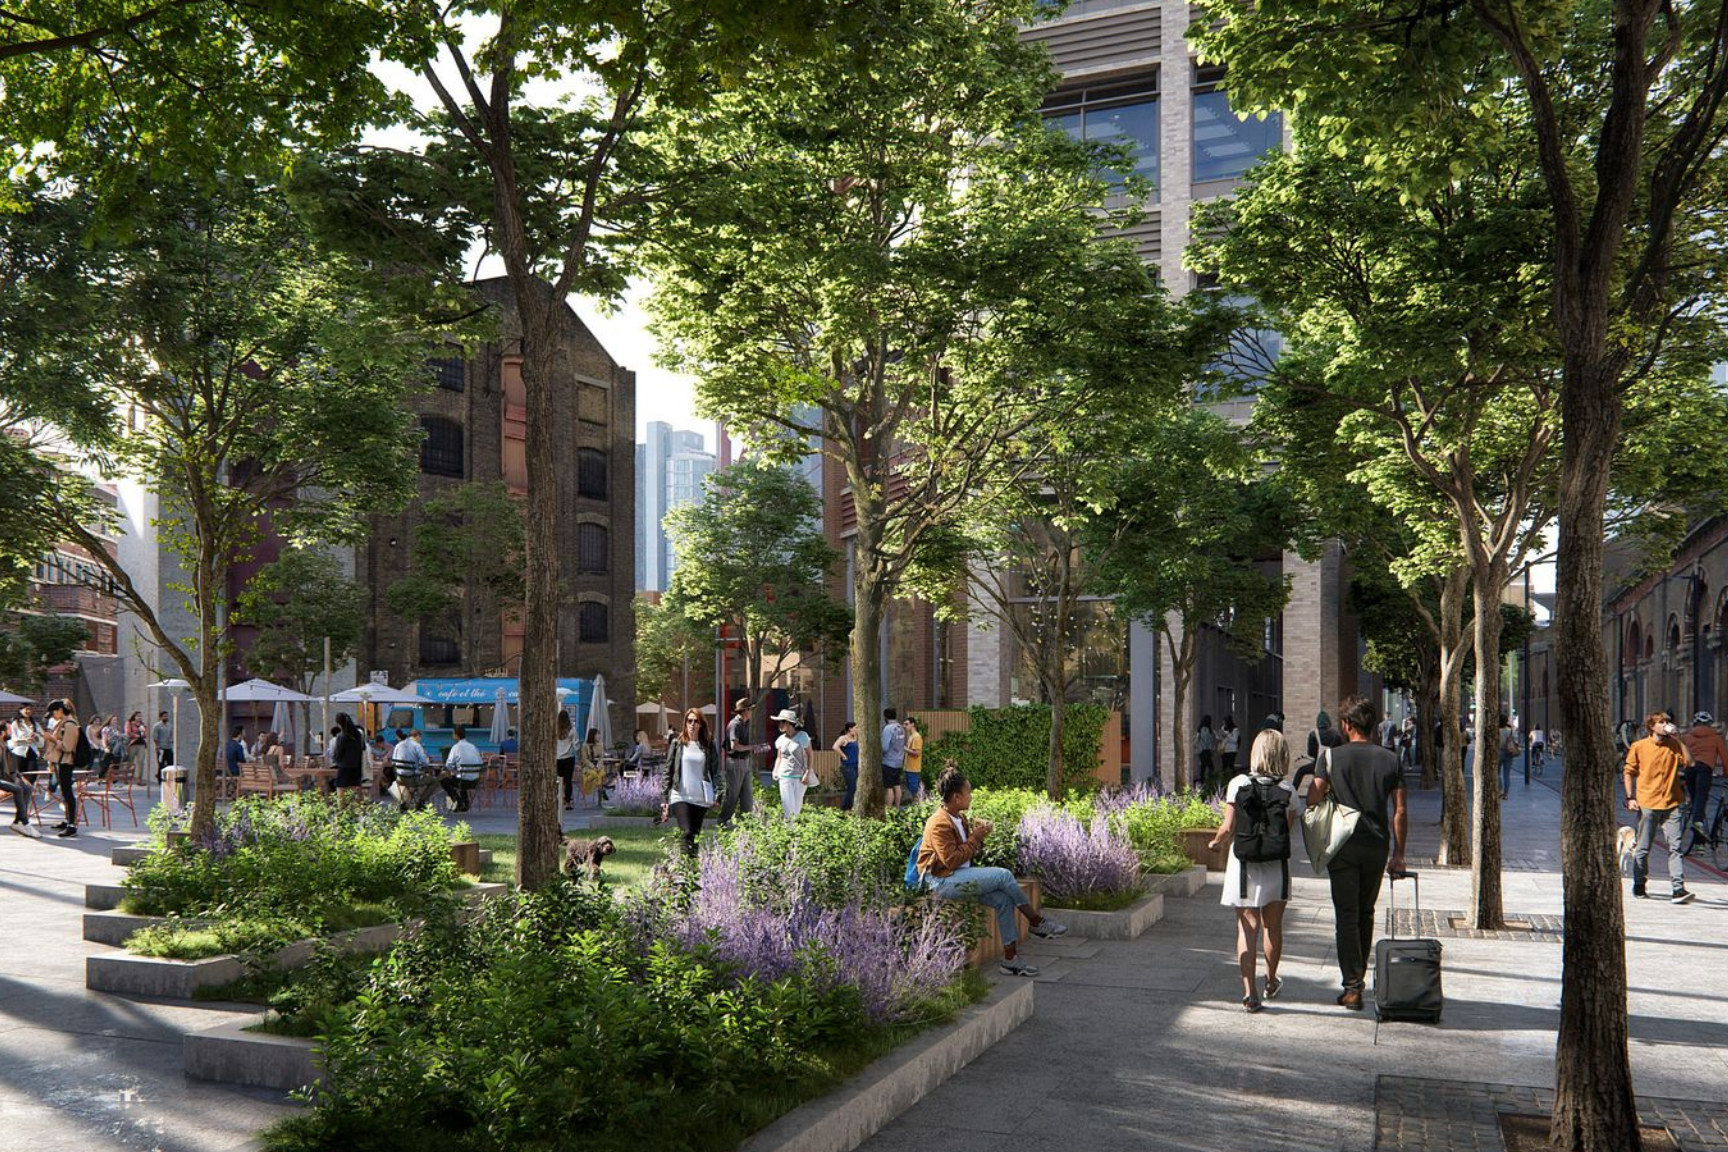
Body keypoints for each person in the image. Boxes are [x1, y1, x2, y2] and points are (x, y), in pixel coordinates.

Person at [918, 765, 1068, 977]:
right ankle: (1036, 922)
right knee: (1004, 875)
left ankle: (1010, 960)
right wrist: (975, 838)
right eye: (968, 792)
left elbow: (965, 854)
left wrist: (979, 838)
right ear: (956, 796)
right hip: (942, 882)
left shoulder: (959, 818)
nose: (971, 796)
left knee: (1002, 901)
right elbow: (950, 860)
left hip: (958, 876)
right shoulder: (938, 823)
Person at [1308, 695, 1407, 1011]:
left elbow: (1313, 796)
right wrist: (1399, 854)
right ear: (1374, 727)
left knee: (1346, 916)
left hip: (1342, 846)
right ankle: (1358, 978)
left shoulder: (1331, 758)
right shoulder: (1390, 760)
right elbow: (1400, 811)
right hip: (1376, 846)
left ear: (1346, 725)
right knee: (1366, 912)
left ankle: (1353, 987)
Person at [1208, 730, 1298, 1012]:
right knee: (1273, 927)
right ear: (1281, 755)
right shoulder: (1288, 791)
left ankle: (1250, 993)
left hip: (1243, 864)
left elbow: (1228, 826)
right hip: (1276, 866)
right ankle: (1271, 980)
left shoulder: (1237, 783)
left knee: (1247, 929)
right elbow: (1287, 828)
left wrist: (1216, 842)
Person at [1624, 711, 1695, 903]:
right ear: (1651, 727)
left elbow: (1689, 762)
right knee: (1644, 847)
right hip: (1648, 803)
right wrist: (1630, 797)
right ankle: (1639, 884)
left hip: (1673, 803)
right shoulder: (1639, 747)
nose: (1665, 725)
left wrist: (1679, 739)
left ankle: (1678, 889)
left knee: (1676, 846)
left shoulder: (1674, 745)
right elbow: (1628, 772)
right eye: (1661, 722)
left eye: (1667, 722)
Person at [660, 709, 723, 855]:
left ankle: (692, 870)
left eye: (696, 721)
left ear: (701, 724)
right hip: (680, 795)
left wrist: (719, 794)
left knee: (694, 836)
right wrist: (664, 798)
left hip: (700, 798)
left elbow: (715, 771)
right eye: (689, 721)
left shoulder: (708, 745)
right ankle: (683, 868)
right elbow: (668, 771)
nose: (692, 724)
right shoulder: (678, 743)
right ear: (685, 723)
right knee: (686, 832)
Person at [1680, 712, 1726, 847]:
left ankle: (1699, 843)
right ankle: (1698, 824)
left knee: (1695, 799)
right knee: (1701, 798)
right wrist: (1725, 772)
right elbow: (1724, 757)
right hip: (1705, 769)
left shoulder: (1686, 737)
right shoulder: (1716, 738)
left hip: (1689, 769)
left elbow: (1680, 753)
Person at [45, 700, 80, 837]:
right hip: (60, 761)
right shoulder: (62, 723)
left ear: (60, 710)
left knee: (68, 793)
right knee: (64, 793)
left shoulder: (70, 724)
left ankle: (72, 825)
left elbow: (68, 747)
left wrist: (52, 739)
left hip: (66, 762)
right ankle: (67, 821)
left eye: (53, 712)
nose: (52, 716)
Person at [772, 708, 812, 821]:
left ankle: (794, 834)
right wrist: (775, 770)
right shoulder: (780, 739)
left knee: (796, 809)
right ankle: (788, 833)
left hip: (800, 777)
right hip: (784, 776)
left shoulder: (803, 736)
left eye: (781, 721)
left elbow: (810, 755)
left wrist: (807, 773)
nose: (779, 724)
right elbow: (779, 757)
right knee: (788, 808)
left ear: (788, 723)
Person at [442, 724, 484, 812]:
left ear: (456, 735)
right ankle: (466, 803)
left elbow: (449, 765)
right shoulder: (473, 747)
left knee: (444, 781)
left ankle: (458, 801)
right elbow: (480, 763)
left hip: (462, 781)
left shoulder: (456, 747)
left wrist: (453, 770)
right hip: (475, 781)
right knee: (460, 776)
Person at [329, 712, 365, 795]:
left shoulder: (341, 736)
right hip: (357, 764)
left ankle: (342, 806)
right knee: (356, 786)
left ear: (338, 723)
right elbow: (363, 748)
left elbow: (338, 752)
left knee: (340, 786)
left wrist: (335, 760)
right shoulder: (358, 735)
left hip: (344, 765)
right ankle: (358, 805)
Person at [881, 708, 907, 808]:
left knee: (888, 787)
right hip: (899, 761)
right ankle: (898, 806)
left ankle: (889, 809)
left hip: (889, 762)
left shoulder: (888, 729)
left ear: (885, 717)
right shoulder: (900, 727)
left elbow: (884, 747)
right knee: (897, 785)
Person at [833, 720, 860, 811]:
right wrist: (844, 756)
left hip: (856, 765)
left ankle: (852, 807)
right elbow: (835, 746)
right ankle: (844, 808)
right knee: (851, 786)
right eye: (855, 728)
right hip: (848, 766)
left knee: (856, 787)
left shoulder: (856, 738)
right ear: (850, 729)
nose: (857, 730)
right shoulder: (843, 738)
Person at [555, 712, 578, 811]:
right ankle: (567, 801)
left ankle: (557, 798)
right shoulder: (571, 729)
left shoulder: (555, 730)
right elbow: (576, 744)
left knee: (558, 780)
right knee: (568, 781)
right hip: (568, 757)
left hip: (557, 758)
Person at [578, 727, 604, 806]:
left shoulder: (601, 745)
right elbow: (585, 759)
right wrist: (593, 766)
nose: (599, 736)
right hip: (588, 767)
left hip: (598, 767)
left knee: (602, 773)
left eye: (599, 734)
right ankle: (599, 790)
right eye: (597, 734)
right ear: (592, 735)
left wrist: (598, 766)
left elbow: (601, 758)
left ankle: (600, 796)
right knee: (594, 774)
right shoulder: (585, 746)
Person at [903, 716, 924, 800]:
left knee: (914, 791)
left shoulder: (916, 737)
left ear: (913, 724)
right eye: (904, 724)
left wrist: (905, 748)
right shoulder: (911, 736)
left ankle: (916, 807)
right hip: (909, 768)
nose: (905, 726)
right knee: (912, 790)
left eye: (906, 724)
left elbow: (917, 753)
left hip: (913, 769)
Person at [1496, 713, 1517, 800]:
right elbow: (1513, 740)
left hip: (1499, 752)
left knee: (1496, 773)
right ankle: (1506, 794)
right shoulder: (1510, 730)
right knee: (1506, 774)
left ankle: (1500, 789)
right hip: (1509, 753)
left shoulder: (1496, 730)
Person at [150, 710, 173, 781]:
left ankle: (169, 778)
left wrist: (171, 740)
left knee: (170, 762)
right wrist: (157, 746)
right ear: (161, 717)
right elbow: (155, 737)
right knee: (161, 764)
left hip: (168, 747)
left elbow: (171, 734)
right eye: (164, 716)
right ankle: (160, 778)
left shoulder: (169, 725)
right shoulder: (157, 726)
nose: (166, 717)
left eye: (167, 716)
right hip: (161, 748)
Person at [1196, 715, 1216, 788]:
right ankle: (1208, 781)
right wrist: (1212, 748)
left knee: (1203, 766)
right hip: (1206, 750)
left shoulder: (1200, 728)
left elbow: (1198, 739)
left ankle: (1202, 781)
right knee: (1210, 767)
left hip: (1202, 750)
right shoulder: (1207, 729)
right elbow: (1208, 741)